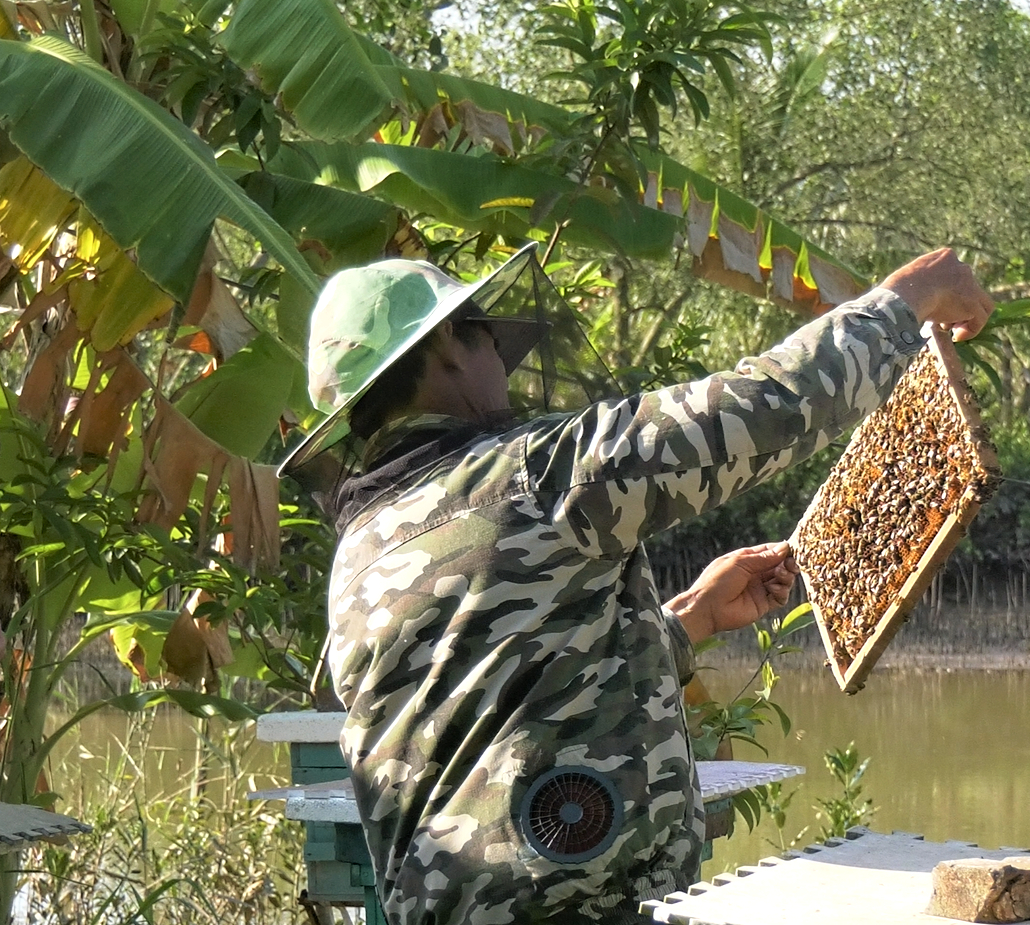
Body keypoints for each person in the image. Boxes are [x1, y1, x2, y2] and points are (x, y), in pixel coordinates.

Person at [282, 248, 992, 924]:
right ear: (444, 349)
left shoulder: (363, 554)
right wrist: (906, 300)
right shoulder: (535, 478)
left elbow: (502, 688)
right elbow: (762, 408)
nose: (500, 360)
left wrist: (687, 621)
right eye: (487, 340)